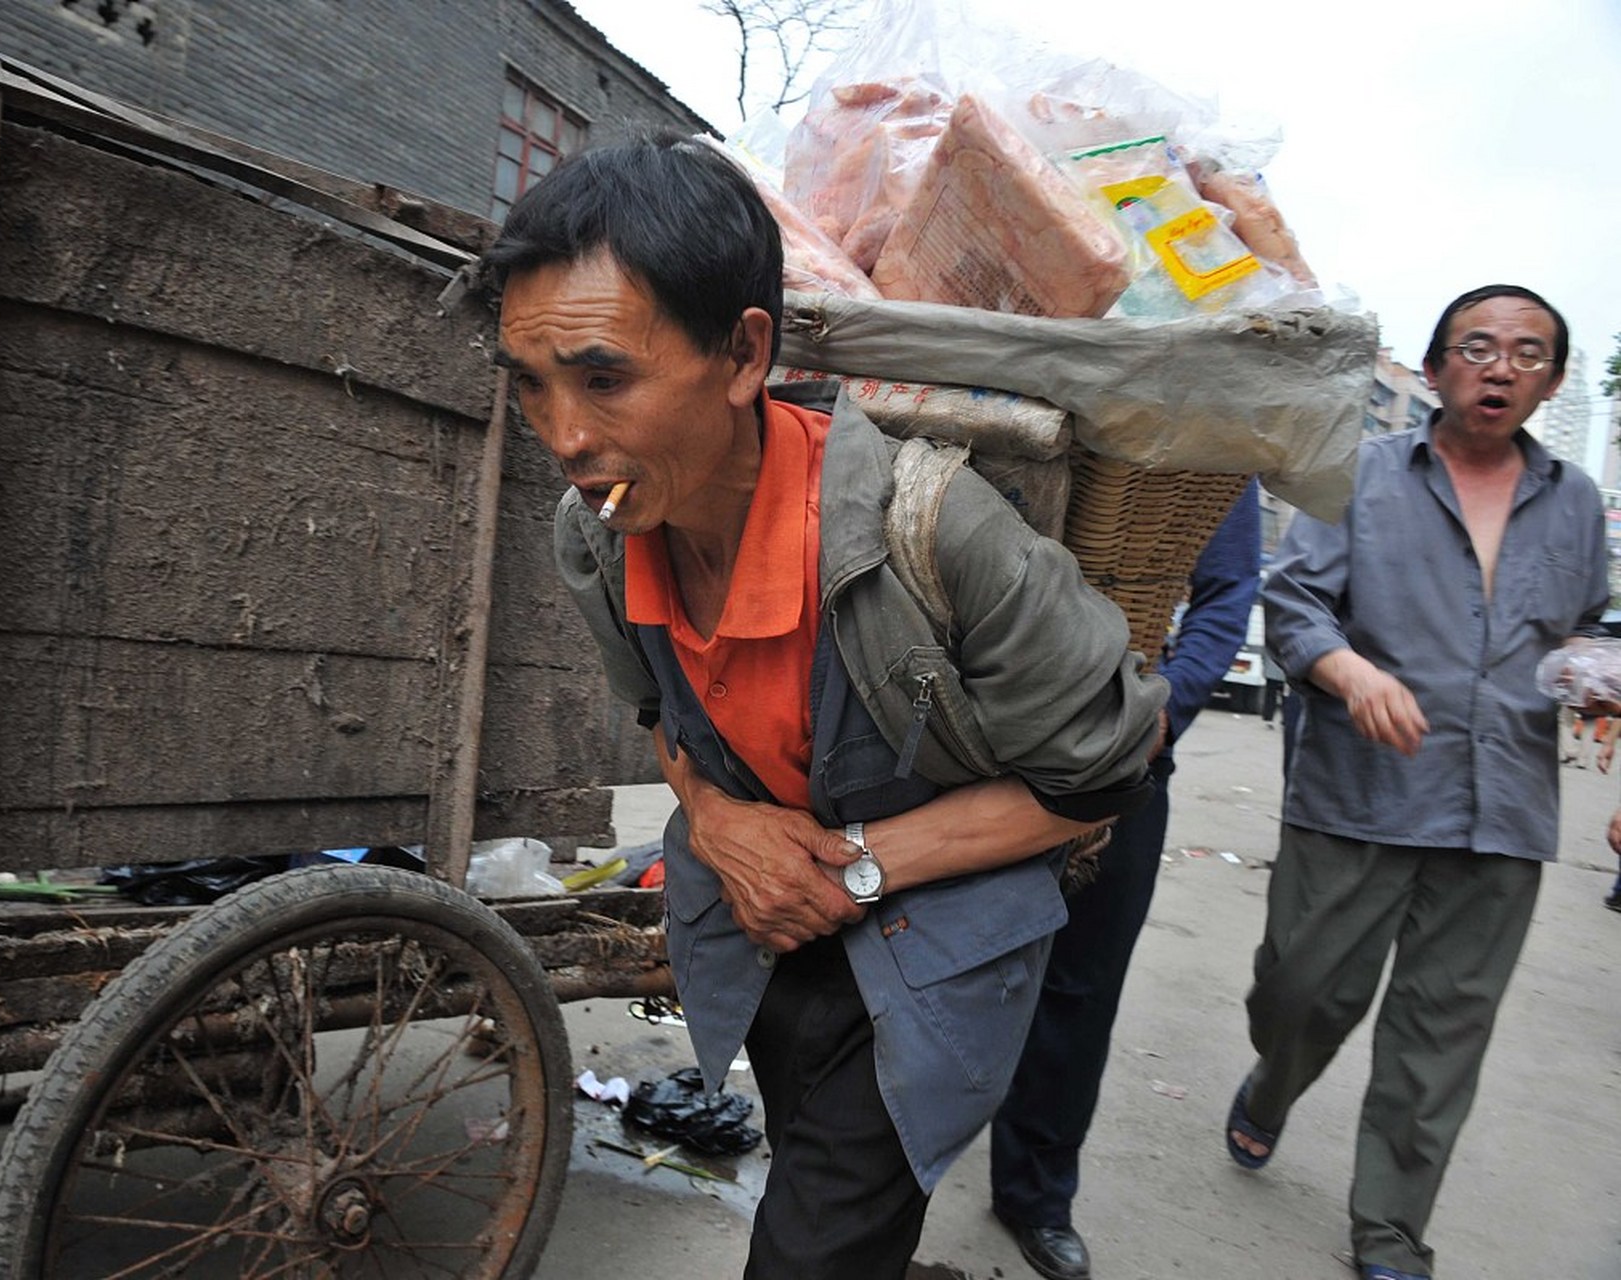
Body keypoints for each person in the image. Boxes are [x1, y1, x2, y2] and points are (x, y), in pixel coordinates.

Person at [481, 134, 1166, 1279]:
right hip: (767, 927)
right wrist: (721, 819)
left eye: (603, 377)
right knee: (818, 1179)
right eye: (530, 383)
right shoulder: (597, 536)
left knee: (809, 1248)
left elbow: (1103, 769)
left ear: (745, 352)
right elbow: (660, 710)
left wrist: (851, 864)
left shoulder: (933, 533)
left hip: (934, 928)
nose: (562, 437)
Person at [1232, 284, 1607, 1280]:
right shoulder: (1358, 473)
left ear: (1552, 381)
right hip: (1359, 794)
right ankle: (1272, 1080)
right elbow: (1295, 599)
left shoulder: (1572, 501)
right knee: (1302, 991)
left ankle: (1389, 1226)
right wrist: (1348, 671)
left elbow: (1584, 626)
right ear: (1436, 366)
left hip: (1502, 813)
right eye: (1475, 346)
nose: (1498, 366)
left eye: (1525, 353)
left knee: (1440, 1033)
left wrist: (1589, 669)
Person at [989, 482, 1260, 1280]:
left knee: (1078, 987)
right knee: (931, 960)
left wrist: (1164, 709)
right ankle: (884, 1168)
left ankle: (1035, 1194)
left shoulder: (1212, 452)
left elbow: (1226, 590)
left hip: (1125, 752)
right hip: (985, 737)